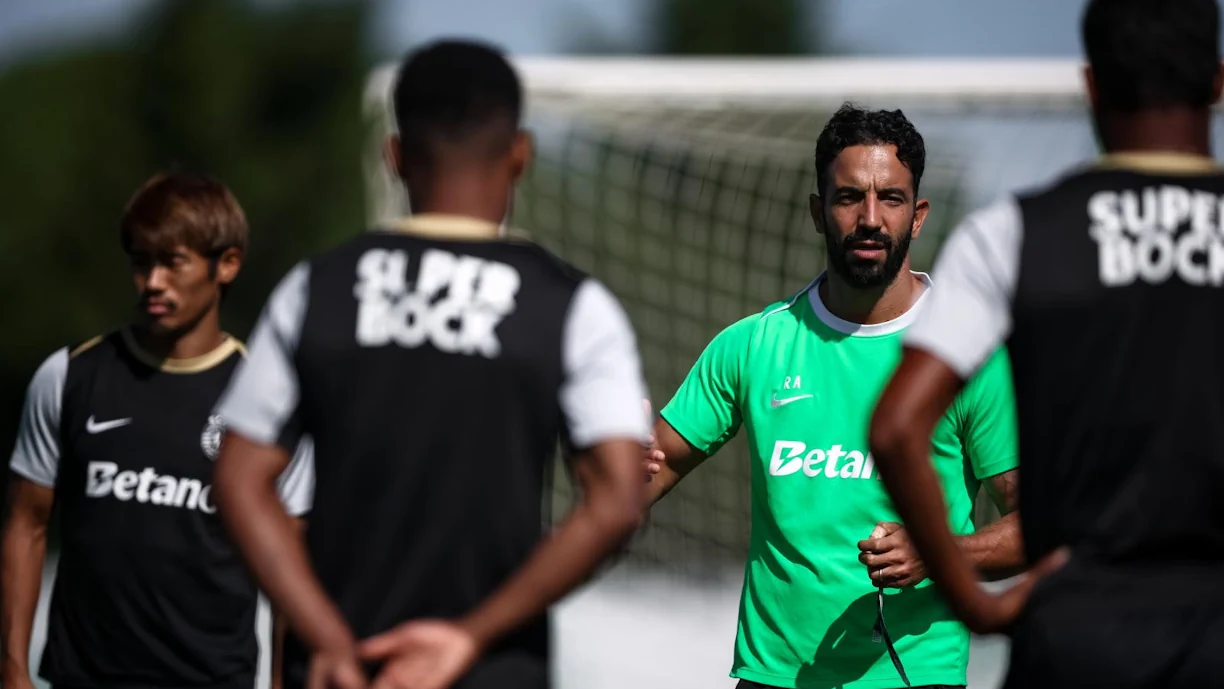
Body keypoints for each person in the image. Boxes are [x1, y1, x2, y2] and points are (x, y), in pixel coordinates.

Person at [210, 39, 650, 689]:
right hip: (493, 668)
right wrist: (470, 634)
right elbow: (615, 501)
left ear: (393, 159)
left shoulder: (317, 289)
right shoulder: (573, 307)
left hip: (341, 670)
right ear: (520, 154)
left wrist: (325, 635)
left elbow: (240, 480)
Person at [867, 0, 1224, 686]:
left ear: (1091, 84)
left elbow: (896, 427)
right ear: (1216, 81)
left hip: (1077, 634)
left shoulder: (1015, 232)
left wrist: (977, 605)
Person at [643, 104, 1023, 689]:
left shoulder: (968, 356)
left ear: (917, 216)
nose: (870, 218)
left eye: (890, 199)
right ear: (819, 212)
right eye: (849, 198)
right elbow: (650, 468)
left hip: (914, 676)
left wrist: (938, 550)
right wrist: (609, 458)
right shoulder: (753, 345)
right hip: (773, 679)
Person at [0, 171, 313, 689]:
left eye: (173, 263)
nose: (153, 282)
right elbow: (25, 524)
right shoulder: (69, 377)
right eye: (141, 262)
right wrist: (11, 667)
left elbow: (292, 568)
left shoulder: (270, 399)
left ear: (227, 265)